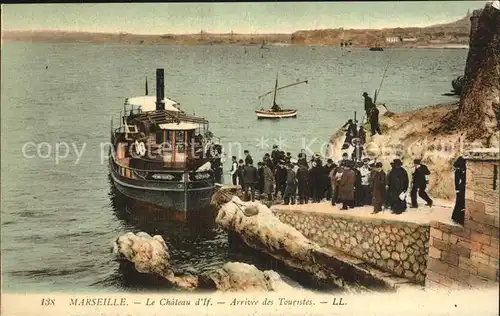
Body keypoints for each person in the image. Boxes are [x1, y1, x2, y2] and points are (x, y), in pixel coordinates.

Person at [451, 156, 466, 225]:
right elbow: (456, 181)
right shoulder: (458, 171)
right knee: (459, 203)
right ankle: (456, 218)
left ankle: (457, 218)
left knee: (461, 203)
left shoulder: (462, 169)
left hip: (462, 188)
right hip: (460, 189)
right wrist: (457, 189)